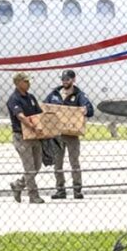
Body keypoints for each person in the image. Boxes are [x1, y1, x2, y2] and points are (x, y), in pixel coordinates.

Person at [44, 70, 94, 200]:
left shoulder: (79, 95)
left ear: (73, 79)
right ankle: (60, 190)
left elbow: (90, 109)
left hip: (72, 134)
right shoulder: (54, 94)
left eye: (67, 79)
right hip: (57, 134)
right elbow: (44, 106)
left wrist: (85, 109)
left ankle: (77, 189)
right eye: (63, 79)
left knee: (74, 162)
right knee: (57, 163)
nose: (65, 81)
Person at [7, 72, 45, 204]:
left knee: (37, 165)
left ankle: (18, 185)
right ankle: (33, 195)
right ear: (18, 83)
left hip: (34, 136)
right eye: (26, 81)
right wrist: (32, 126)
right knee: (29, 167)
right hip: (21, 136)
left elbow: (39, 113)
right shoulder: (14, 99)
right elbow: (20, 116)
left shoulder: (31, 97)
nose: (29, 83)